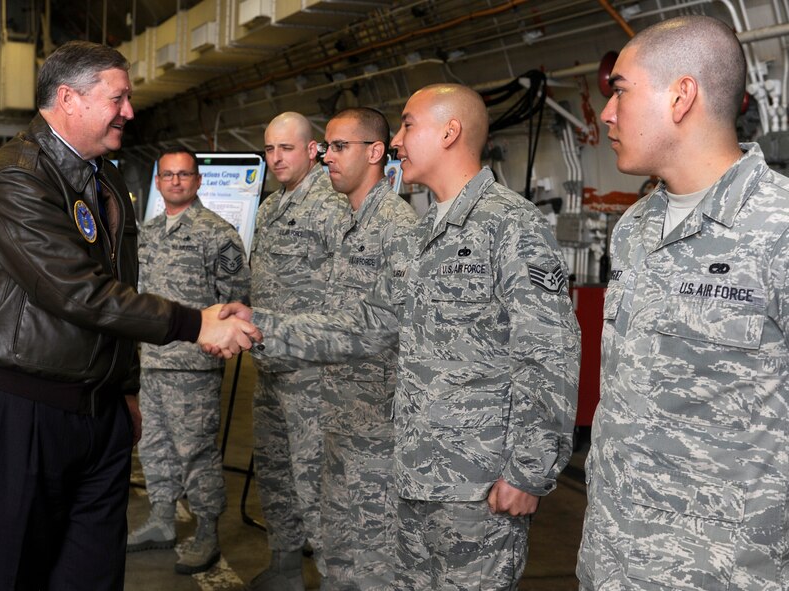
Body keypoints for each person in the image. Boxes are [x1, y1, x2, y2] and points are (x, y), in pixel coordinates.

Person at [218, 83, 580, 590]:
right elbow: (369, 324)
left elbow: (550, 353)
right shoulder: (428, 231)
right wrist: (262, 325)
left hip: (475, 481)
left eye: (408, 125)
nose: (397, 141)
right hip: (413, 470)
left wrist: (528, 469)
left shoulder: (510, 225)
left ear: (450, 132)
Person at [0, 40, 258, 591]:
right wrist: (196, 323)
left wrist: (125, 389)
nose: (130, 111)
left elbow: (118, 289)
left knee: (92, 574)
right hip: (13, 407)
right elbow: (76, 292)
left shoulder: (105, 181)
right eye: (120, 97)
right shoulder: (16, 174)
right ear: (69, 98)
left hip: (96, 412)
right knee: (3, 574)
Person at [577, 15, 789, 590]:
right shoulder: (635, 227)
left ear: (681, 96)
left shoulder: (778, 228)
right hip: (613, 560)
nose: (608, 114)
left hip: (720, 572)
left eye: (620, 91)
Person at [126, 146, 250, 575]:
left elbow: (236, 302)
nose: (176, 181)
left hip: (193, 367)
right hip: (152, 363)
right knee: (154, 446)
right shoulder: (147, 232)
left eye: (184, 175)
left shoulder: (218, 233)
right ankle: (162, 519)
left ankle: (206, 530)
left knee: (195, 451)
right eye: (168, 175)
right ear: (158, 183)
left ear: (198, 182)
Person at [314, 107, 417, 590]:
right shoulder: (345, 219)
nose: (327, 157)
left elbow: (388, 326)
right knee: (338, 552)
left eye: (339, 147)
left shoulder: (396, 226)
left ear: (375, 152)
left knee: (375, 557)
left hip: (379, 428)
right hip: (339, 416)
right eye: (326, 147)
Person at [248, 111, 349, 590]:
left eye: (285, 148)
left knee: (316, 481)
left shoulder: (333, 206)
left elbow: (349, 294)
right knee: (275, 469)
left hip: (312, 371)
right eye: (269, 149)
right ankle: (285, 567)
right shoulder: (269, 208)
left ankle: (331, 575)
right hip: (270, 366)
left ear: (313, 149)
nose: (275, 158)